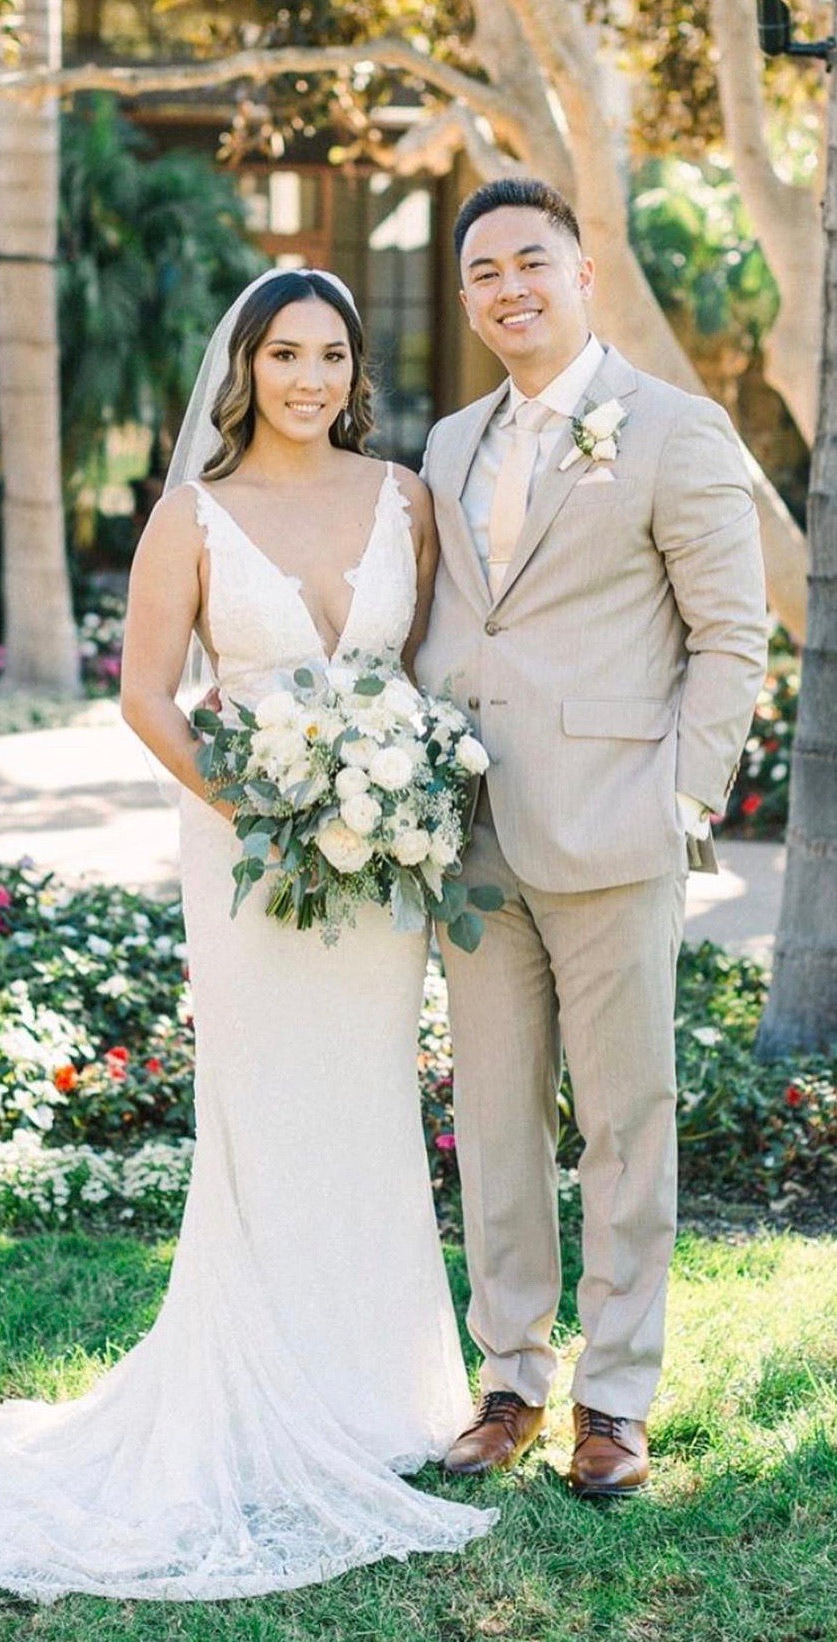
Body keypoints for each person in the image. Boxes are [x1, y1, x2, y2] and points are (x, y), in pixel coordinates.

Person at [0, 269, 495, 1600]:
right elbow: (147, 698)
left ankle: (384, 1395)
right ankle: (265, 1394)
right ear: (244, 369)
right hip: (253, 855)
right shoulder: (189, 516)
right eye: (285, 355)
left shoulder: (406, 500)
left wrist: (402, 783)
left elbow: (424, 672)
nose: (311, 379)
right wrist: (264, 807)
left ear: (355, 370)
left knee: (370, 1103)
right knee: (265, 1113)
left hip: (380, 861)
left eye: (332, 354)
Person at [415, 178, 768, 1499]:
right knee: (494, 1117)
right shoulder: (449, 443)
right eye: (485, 273)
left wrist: (684, 796)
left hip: (618, 826)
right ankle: (510, 1379)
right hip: (470, 833)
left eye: (532, 263)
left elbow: (731, 632)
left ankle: (614, 1399)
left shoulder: (675, 428)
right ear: (469, 300)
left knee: (626, 1123)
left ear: (580, 276)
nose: (509, 289)